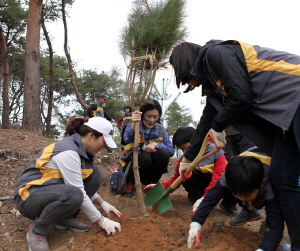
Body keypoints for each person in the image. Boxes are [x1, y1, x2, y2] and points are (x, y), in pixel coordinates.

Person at [169, 40, 300, 249]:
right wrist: (187, 159)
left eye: (184, 76)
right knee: (284, 179)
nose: (189, 84)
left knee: (284, 180)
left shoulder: (216, 54)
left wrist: (219, 125)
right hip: (286, 115)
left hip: (295, 96)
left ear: (186, 64)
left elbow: (241, 96)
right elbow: (205, 122)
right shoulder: (214, 84)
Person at [14, 117, 123, 251]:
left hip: (51, 192)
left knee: (95, 174)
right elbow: (78, 191)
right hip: (29, 198)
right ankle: (37, 231)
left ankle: (62, 219)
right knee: (74, 195)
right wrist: (102, 221)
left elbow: (79, 183)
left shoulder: (81, 151)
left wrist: (102, 203)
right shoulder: (69, 152)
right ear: (91, 136)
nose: (105, 147)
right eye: (104, 142)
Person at [187, 149, 284, 251]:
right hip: (250, 167)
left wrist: (263, 249)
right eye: (236, 194)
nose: (241, 199)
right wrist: (196, 223)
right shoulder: (229, 174)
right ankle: (249, 210)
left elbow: (276, 227)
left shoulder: (273, 184)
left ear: (261, 183)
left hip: (279, 167)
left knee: (281, 212)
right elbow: (211, 198)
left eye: (246, 195)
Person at [143, 126, 239, 216]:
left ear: (198, 142)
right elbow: (177, 178)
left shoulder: (216, 153)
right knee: (187, 172)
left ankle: (228, 204)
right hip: (200, 187)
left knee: (235, 177)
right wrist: (162, 187)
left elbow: (217, 179)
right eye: (182, 149)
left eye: (187, 148)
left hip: (219, 186)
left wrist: (206, 198)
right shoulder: (184, 159)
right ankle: (195, 200)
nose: (185, 152)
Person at [120, 100, 174, 198]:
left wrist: (156, 145)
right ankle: (130, 182)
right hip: (136, 164)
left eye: (155, 117)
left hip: (152, 167)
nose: (152, 120)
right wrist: (133, 126)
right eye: (149, 116)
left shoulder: (160, 129)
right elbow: (126, 139)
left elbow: (171, 150)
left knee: (163, 155)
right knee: (145, 157)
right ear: (142, 114)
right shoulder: (134, 125)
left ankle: (151, 184)